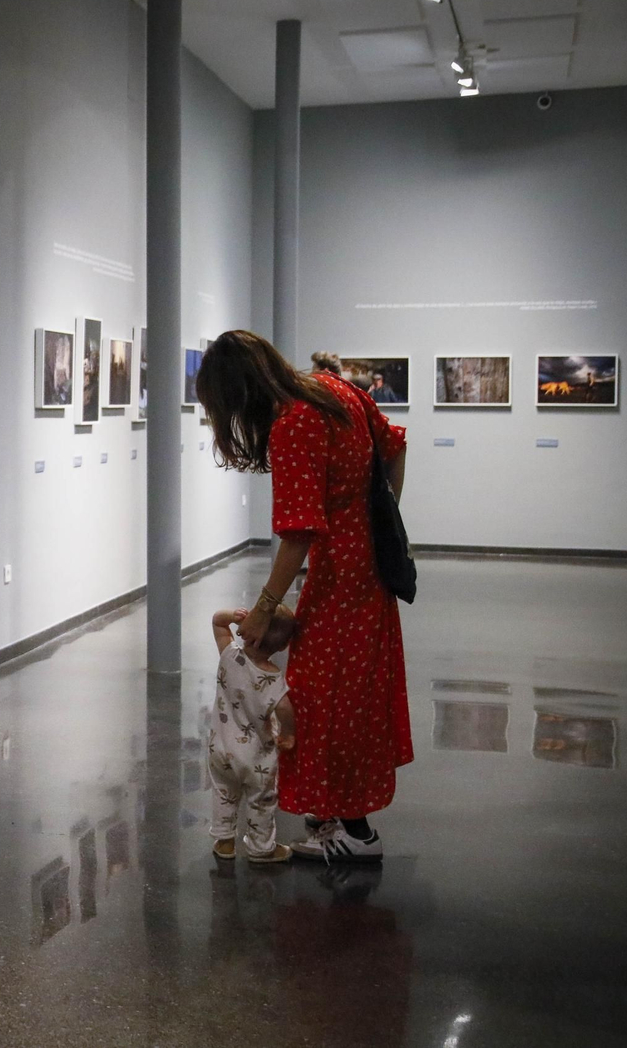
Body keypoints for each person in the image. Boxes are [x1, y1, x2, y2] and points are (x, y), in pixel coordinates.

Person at [195, 330, 410, 863]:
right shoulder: (335, 390)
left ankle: (355, 833)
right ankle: (337, 817)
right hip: (368, 570)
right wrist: (379, 524)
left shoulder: (292, 424)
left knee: (321, 697)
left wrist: (263, 608)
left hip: (338, 577)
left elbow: (298, 531)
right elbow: (397, 446)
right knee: (350, 694)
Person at [208, 605, 298, 864]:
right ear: (282, 647)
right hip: (256, 756)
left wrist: (232, 617)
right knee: (261, 801)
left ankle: (224, 841)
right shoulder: (273, 678)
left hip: (220, 748)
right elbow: (284, 708)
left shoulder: (229, 655)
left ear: (248, 630)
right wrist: (289, 735)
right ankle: (261, 848)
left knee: (224, 791)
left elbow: (217, 623)